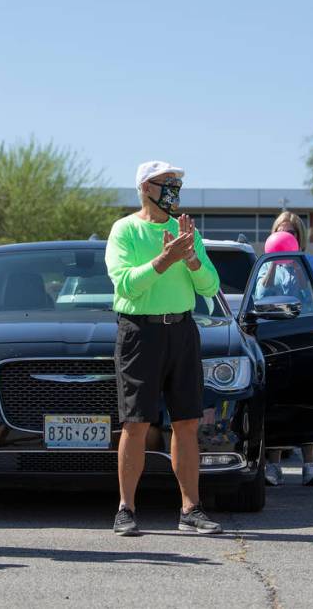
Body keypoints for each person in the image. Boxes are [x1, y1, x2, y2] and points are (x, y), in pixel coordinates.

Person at [105, 160, 222, 536]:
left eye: (177, 183)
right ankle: (126, 509)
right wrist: (163, 261)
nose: (173, 188)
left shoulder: (185, 230)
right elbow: (126, 285)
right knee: (136, 422)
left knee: (187, 422)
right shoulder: (125, 230)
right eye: (166, 182)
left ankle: (191, 509)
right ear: (145, 187)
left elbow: (209, 286)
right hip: (140, 332)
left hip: (182, 330)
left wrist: (189, 258)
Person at [262, 211, 313, 487]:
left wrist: (296, 264)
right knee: (276, 402)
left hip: (304, 336)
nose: (287, 237)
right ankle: (273, 466)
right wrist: (274, 265)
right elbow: (261, 296)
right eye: (281, 232)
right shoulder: (265, 264)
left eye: (292, 233)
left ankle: (309, 465)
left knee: (307, 400)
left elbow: (312, 295)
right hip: (275, 337)